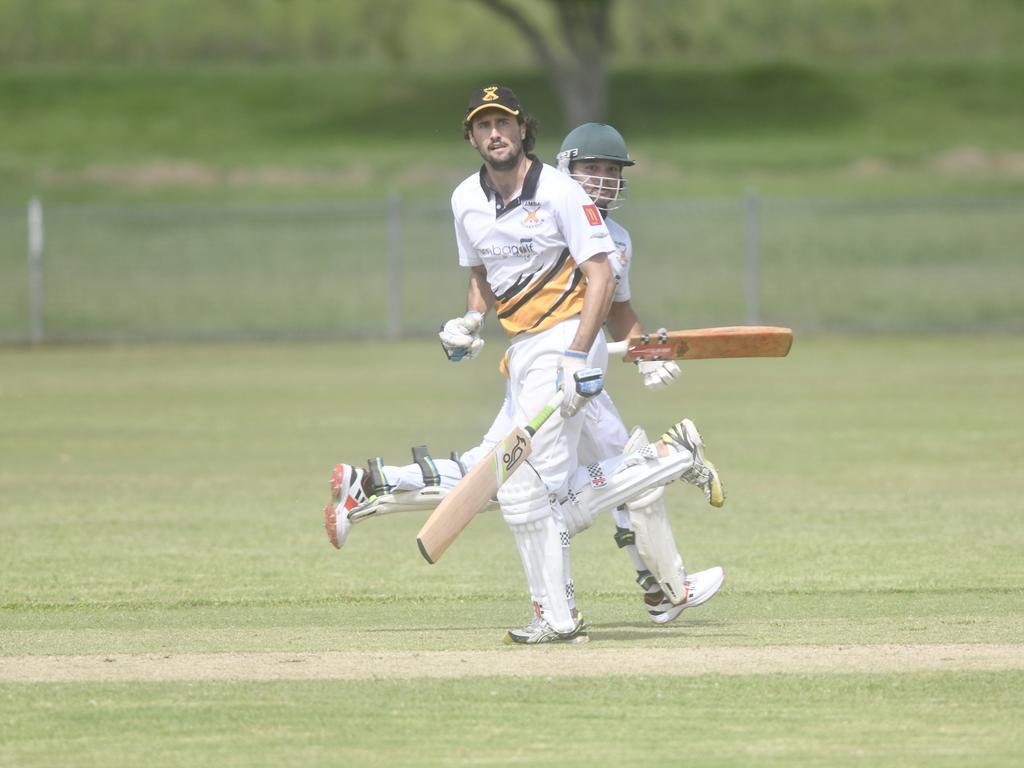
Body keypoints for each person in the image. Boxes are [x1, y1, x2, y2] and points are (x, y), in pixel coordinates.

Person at [327, 89, 723, 643]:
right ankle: (378, 487)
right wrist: (469, 321)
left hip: (566, 349)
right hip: (525, 353)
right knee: (495, 472)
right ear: (471, 136)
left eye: (504, 123)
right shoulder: (466, 198)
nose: (495, 132)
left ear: (523, 130)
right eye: (483, 124)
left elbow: (605, 286)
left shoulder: (563, 197)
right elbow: (485, 276)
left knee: (531, 490)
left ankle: (595, 598)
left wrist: (583, 356)